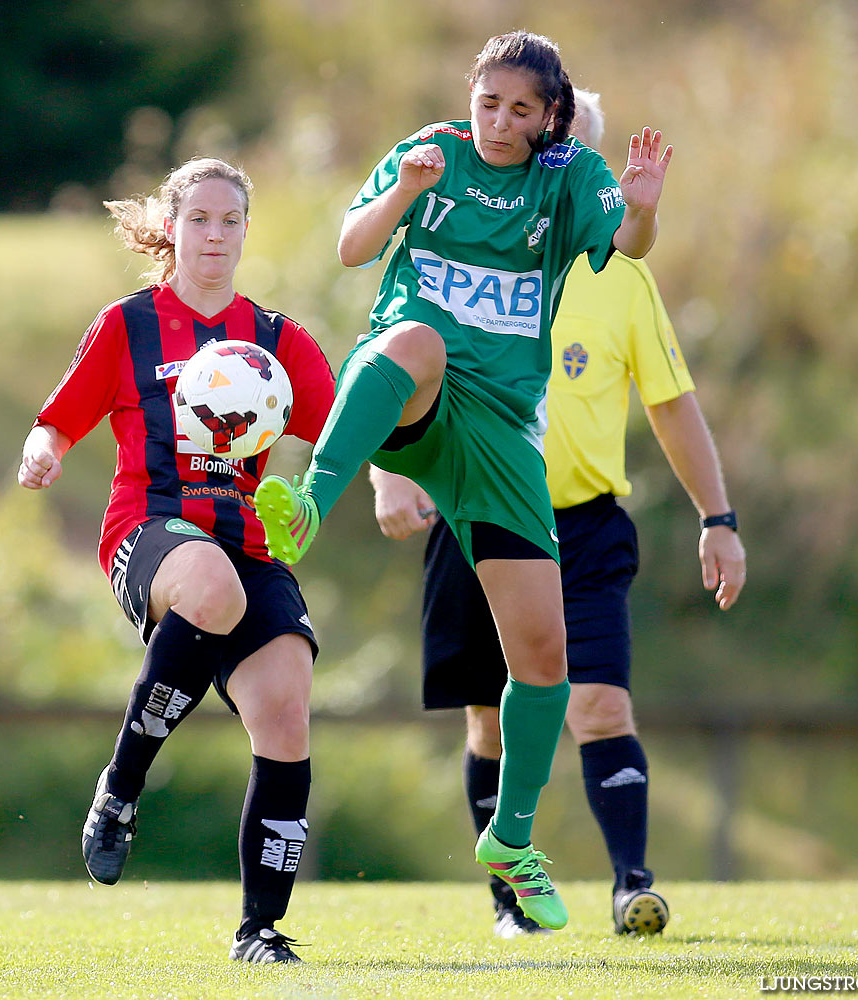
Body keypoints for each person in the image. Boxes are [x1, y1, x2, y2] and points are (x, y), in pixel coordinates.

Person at [252, 31, 672, 931]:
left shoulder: (568, 178)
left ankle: (512, 841)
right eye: (489, 102)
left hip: (504, 434)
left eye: (520, 109)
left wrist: (639, 208)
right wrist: (404, 187)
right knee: (415, 338)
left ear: (549, 116)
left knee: (545, 665)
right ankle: (312, 501)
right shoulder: (431, 155)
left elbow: (630, 244)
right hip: (420, 397)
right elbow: (349, 249)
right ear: (470, 97)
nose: (499, 121)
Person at [369, 88, 747, 938]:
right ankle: (511, 900)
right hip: (475, 518)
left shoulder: (623, 281)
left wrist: (717, 519)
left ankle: (631, 886)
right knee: (487, 716)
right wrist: (389, 474)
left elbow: (672, 404)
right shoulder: (462, 230)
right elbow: (395, 349)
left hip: (581, 526)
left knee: (601, 706)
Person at [17, 157, 335, 964]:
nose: (215, 236)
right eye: (200, 219)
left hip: (248, 545)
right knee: (209, 585)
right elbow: (57, 419)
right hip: (148, 531)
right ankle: (122, 787)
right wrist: (42, 451)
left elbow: (345, 429)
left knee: (286, 709)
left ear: (246, 233)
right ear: (172, 226)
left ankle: (259, 933)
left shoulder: (277, 340)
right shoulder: (128, 325)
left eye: (230, 221)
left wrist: (393, 481)